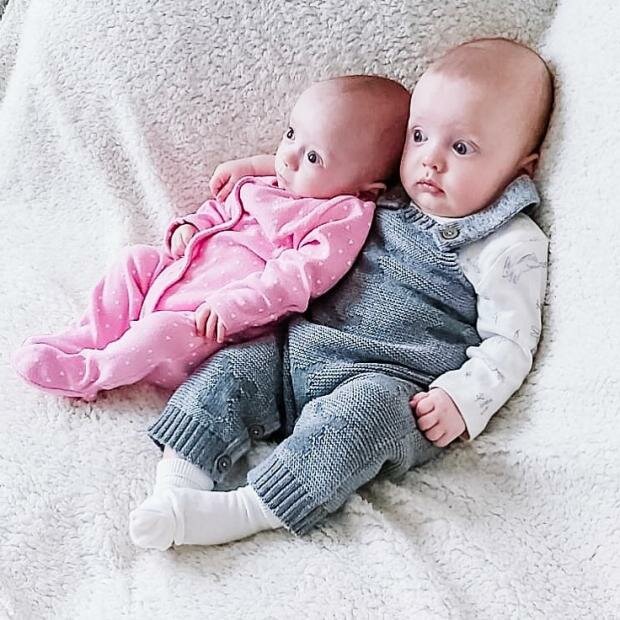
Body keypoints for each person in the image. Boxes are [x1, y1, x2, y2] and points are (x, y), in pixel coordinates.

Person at [129, 37, 554, 550]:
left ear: (522, 167)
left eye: (461, 148)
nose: (430, 162)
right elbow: (317, 175)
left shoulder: (507, 244)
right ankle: (176, 482)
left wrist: (462, 399)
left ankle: (243, 511)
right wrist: (253, 169)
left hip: (392, 381)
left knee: (364, 419)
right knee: (234, 365)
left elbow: (511, 341)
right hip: (300, 349)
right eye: (419, 136)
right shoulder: (386, 194)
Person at [12, 75, 410, 400]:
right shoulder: (268, 183)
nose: (288, 156)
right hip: (179, 274)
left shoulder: (339, 216)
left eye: (313, 157)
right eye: (291, 134)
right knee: (133, 260)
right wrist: (189, 229)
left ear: (364, 189)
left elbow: (298, 278)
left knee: (157, 333)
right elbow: (219, 215)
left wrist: (234, 305)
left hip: (211, 324)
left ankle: (92, 374)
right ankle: (88, 336)